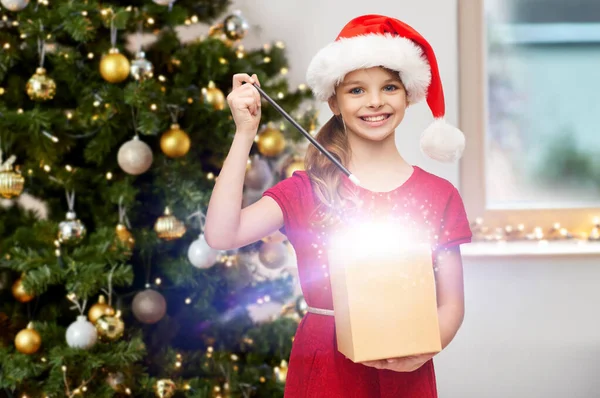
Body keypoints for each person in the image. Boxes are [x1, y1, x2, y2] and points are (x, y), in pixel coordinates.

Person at [205, 14, 472, 398]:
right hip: (325, 370)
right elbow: (221, 234)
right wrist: (244, 133)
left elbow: (451, 303)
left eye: (390, 87)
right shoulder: (306, 190)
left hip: (408, 368)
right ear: (334, 100)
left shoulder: (439, 193)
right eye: (357, 90)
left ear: (408, 94)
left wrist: (425, 348)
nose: (376, 101)